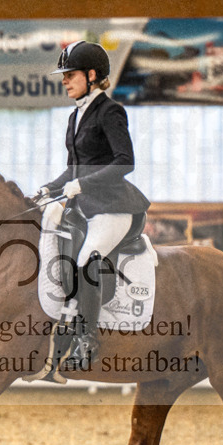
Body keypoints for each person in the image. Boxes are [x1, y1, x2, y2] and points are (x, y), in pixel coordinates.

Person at [34, 39, 150, 369]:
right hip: (86, 206)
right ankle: (66, 322)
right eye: (64, 75)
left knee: (87, 260)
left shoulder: (110, 111)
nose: (64, 81)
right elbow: (73, 168)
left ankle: (89, 340)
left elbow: (125, 162)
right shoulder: (75, 117)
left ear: (92, 75)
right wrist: (48, 187)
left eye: (70, 75)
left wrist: (83, 183)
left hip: (115, 207)